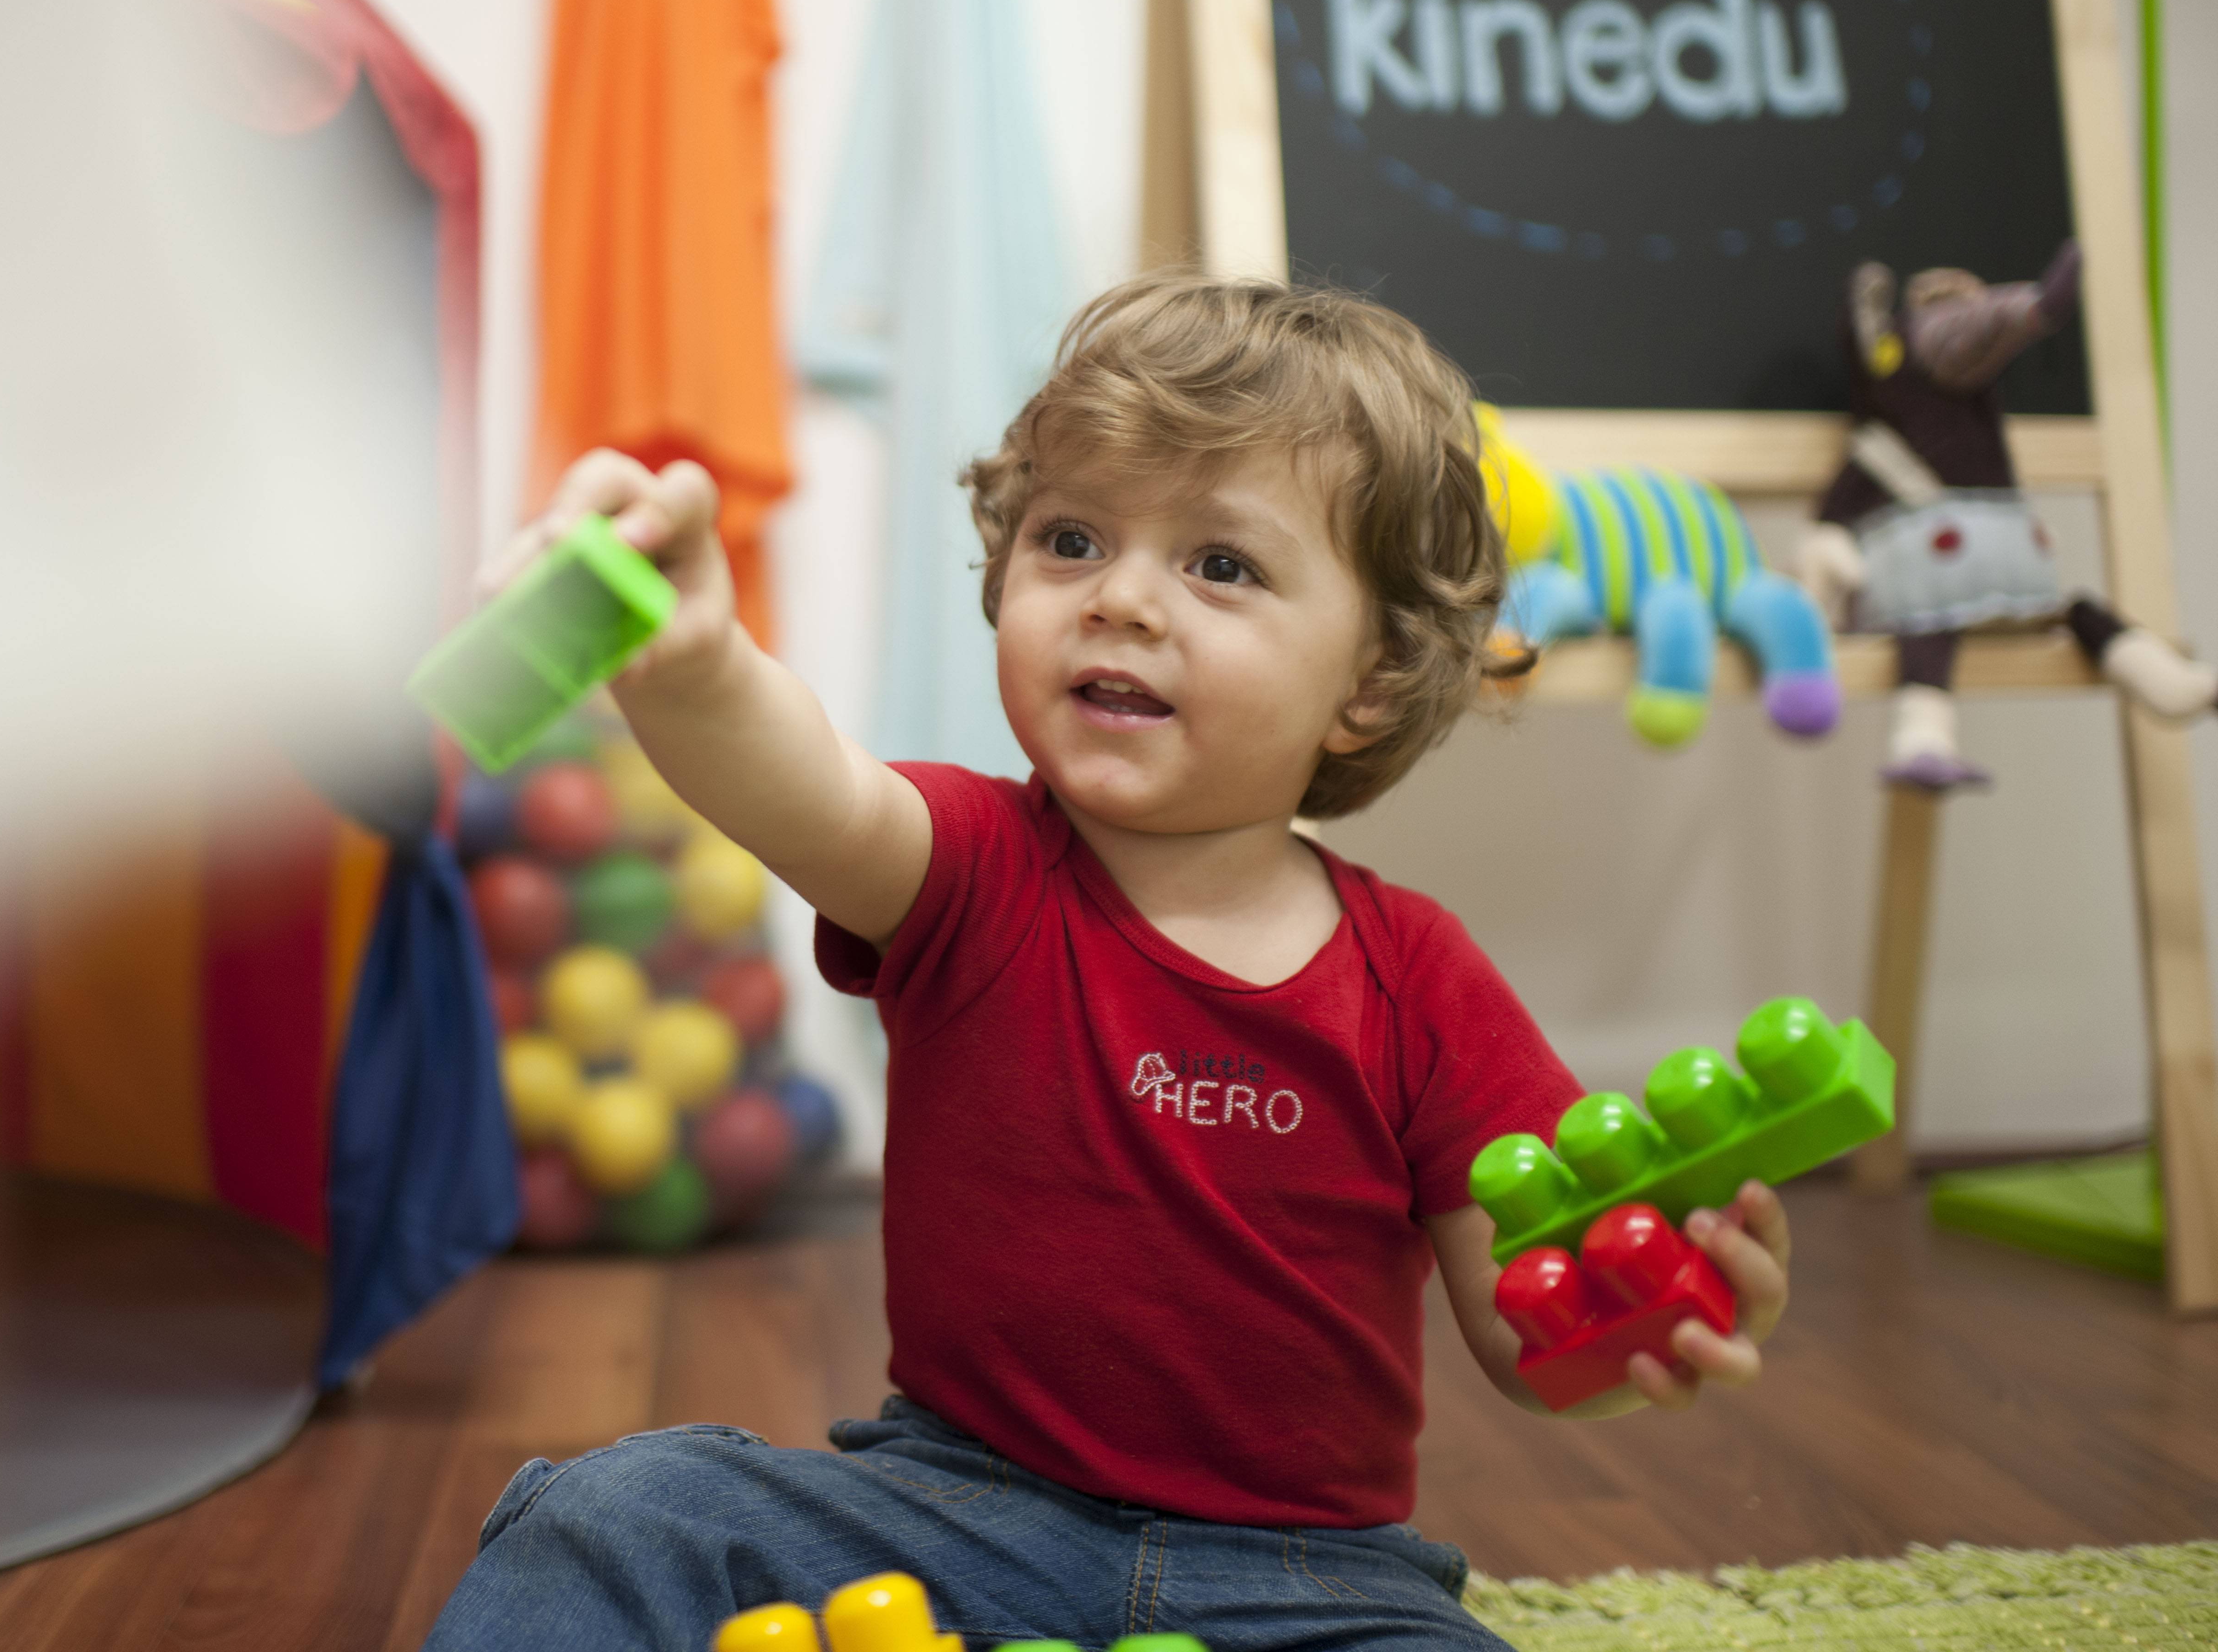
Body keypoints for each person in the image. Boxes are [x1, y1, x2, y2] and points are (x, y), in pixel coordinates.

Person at [425, 274, 1794, 1650]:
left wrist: (1637, 1321)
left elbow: (1528, 1332)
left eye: (1221, 565)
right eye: (1071, 539)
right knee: (618, 1509)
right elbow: (803, 785)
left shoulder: (1421, 978)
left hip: (1308, 1584)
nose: (1122, 599)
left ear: (1370, 678)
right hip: (947, 1521)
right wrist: (695, 663)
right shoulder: (968, 869)